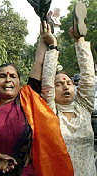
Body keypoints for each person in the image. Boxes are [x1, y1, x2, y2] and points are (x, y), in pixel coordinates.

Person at [0, 43, 74, 175]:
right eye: (2, 76)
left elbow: (38, 63)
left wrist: (45, 40)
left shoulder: (28, 100)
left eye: (13, 76)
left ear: (20, 84)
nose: (8, 80)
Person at [30, 2, 96, 175]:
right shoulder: (51, 111)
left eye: (68, 82)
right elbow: (46, 83)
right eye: (58, 84)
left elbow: (88, 77)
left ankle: (79, 35)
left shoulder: (85, 107)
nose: (65, 85)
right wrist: (52, 46)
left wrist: (79, 40)